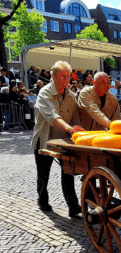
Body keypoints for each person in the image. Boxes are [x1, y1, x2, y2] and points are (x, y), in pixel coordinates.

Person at [31, 61, 85, 216]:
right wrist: (69, 128)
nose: (66, 79)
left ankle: (73, 207)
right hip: (45, 140)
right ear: (53, 77)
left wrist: (79, 132)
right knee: (43, 174)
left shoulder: (71, 95)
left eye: (68, 76)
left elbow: (76, 119)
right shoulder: (45, 93)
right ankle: (42, 200)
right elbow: (52, 116)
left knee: (68, 173)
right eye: (62, 76)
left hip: (63, 141)